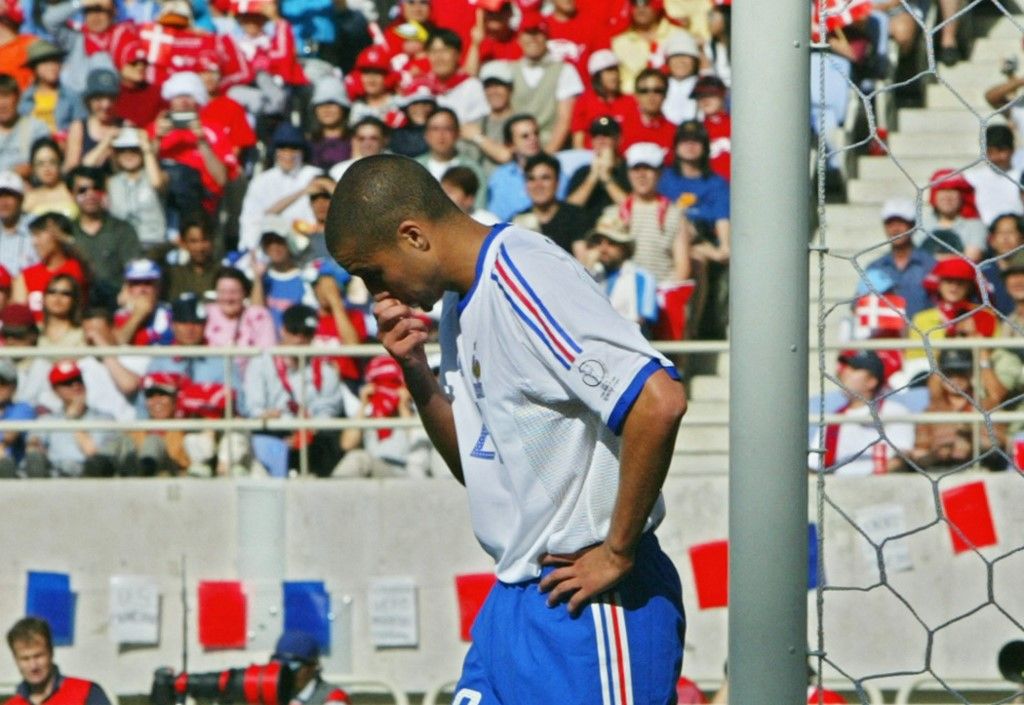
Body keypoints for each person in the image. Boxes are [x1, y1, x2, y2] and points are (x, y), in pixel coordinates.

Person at [325, 154, 687, 703]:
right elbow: (477, 465)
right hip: (514, 598)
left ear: (414, 236)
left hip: (588, 605)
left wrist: (616, 551)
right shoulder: (455, 304)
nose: (378, 293)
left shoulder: (522, 275)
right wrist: (417, 374)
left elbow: (658, 401)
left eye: (372, 273)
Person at [243, 303, 346, 477]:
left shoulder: (325, 370)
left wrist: (306, 431)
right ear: (282, 330)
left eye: (306, 333)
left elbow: (328, 412)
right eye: (294, 331)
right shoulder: (261, 363)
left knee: (326, 443)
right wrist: (280, 421)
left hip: (311, 438)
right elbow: (255, 409)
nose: (299, 339)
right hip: (272, 433)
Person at [809, 350, 913, 475]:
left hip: (880, 487)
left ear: (871, 381)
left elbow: (901, 459)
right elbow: (815, 466)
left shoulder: (894, 412)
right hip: (836, 488)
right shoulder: (834, 418)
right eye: (846, 367)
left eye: (854, 369)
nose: (844, 372)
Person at [336, 354, 431, 478]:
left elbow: (416, 442)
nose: (386, 389)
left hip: (404, 471)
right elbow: (347, 444)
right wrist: (363, 406)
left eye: (393, 382)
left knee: (359, 459)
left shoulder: (415, 413)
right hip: (374, 469)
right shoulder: (369, 415)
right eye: (378, 382)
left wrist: (403, 407)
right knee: (357, 458)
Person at [27, 360, 123, 477]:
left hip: (91, 479)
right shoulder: (47, 420)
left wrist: (73, 420)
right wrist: (36, 447)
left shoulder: (105, 419)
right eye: (67, 382)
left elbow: (92, 454)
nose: (75, 385)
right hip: (55, 480)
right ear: (55, 390)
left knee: (96, 464)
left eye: (78, 379)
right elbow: (32, 450)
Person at [505, 17, 583, 154]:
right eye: (528, 33)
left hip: (551, 148)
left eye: (538, 33)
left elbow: (564, 119)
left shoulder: (564, 70)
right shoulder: (509, 70)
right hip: (518, 149)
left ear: (546, 38)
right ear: (519, 38)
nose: (533, 39)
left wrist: (547, 155)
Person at [239, 123, 321, 252]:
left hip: (311, 247)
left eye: (294, 148)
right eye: (282, 148)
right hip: (271, 250)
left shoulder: (315, 175)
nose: (288, 154)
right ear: (275, 151)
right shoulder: (260, 181)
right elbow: (251, 221)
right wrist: (250, 252)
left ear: (303, 151)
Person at [69, 166, 141, 306]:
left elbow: (133, 270)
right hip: (78, 304)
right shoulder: (67, 232)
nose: (90, 194)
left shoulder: (122, 229)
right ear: (72, 194)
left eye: (96, 188)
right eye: (82, 190)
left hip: (117, 302)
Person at [3, 617, 111, 705]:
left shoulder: (86, 693)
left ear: (51, 652)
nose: (33, 666)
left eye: (38, 656)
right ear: (15, 659)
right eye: (25, 659)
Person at [587, 208, 659, 336]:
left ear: (625, 247)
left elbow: (644, 321)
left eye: (611, 243)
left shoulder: (642, 277)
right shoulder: (591, 275)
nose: (603, 249)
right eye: (599, 242)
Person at [486, 114, 568, 221]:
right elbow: (496, 218)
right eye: (525, 136)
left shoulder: (556, 173)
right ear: (510, 145)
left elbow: (562, 210)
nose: (533, 139)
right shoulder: (499, 178)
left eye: (536, 133)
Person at [864, 198, 936, 318]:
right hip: (886, 334)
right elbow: (859, 306)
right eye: (890, 223)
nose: (896, 229)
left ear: (913, 225)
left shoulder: (930, 265)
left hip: (922, 333)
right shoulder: (875, 268)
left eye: (901, 223)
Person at [512, 152, 588, 259]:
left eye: (545, 178)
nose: (538, 185)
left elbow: (583, 262)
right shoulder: (518, 221)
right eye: (531, 179)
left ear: (557, 182)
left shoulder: (575, 216)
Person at [14, 212, 86, 323]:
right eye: (33, 236)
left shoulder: (77, 268)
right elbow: (18, 317)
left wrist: (66, 239)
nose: (34, 242)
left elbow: (92, 266)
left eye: (38, 235)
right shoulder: (26, 276)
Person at [106, 128, 167, 251]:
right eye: (122, 150)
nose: (128, 154)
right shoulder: (111, 182)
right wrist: (105, 143)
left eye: (134, 149)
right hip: (122, 245)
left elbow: (157, 183)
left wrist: (147, 149)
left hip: (153, 243)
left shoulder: (158, 175)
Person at [415, 107, 485, 207]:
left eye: (447, 129)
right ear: (426, 134)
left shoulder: (472, 169)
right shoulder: (414, 168)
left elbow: (479, 208)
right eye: (435, 129)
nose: (441, 135)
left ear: (457, 134)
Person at [570, 50, 633, 149]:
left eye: (616, 70)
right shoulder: (584, 102)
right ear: (597, 77)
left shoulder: (630, 102)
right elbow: (578, 142)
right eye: (609, 71)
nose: (615, 76)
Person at [63, 68, 122, 172]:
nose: (106, 105)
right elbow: (71, 170)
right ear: (89, 100)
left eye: (111, 99)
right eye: (99, 99)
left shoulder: (124, 126)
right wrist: (105, 143)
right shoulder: (79, 127)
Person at [18, 40, 83, 133]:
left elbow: (82, 128)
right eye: (45, 63)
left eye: (56, 62)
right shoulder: (24, 98)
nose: (52, 67)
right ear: (34, 68)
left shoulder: (72, 96)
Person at [920, 169, 985, 262]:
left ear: (962, 196)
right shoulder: (921, 223)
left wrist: (929, 259)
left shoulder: (975, 225)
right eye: (942, 190)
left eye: (952, 190)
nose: (947, 197)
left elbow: (971, 259)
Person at [964, 125, 1022, 227]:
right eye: (990, 152)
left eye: (1001, 151)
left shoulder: (1020, 177)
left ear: (1012, 150)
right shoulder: (972, 178)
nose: (995, 157)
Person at [269, 632, 350, 705]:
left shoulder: (332, 698)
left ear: (312, 667)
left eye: (292, 666)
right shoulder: (274, 695)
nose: (285, 673)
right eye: (279, 666)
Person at [114, 259, 173, 346]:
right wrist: (138, 315)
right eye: (136, 283)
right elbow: (117, 344)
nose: (142, 289)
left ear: (158, 287)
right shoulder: (120, 315)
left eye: (148, 283)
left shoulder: (170, 312)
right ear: (128, 288)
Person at [0, 74, 50, 178]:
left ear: (18, 97)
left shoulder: (37, 128)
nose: (2, 104)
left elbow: (45, 165)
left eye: (6, 96)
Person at [620, 68, 675, 154]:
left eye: (657, 91)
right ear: (636, 95)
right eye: (644, 91)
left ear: (665, 94)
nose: (651, 96)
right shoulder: (620, 130)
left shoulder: (675, 133)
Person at [164, 215, 219, 301]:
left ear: (212, 241)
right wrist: (172, 244)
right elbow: (148, 261)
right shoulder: (174, 275)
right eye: (194, 241)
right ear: (184, 243)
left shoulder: (223, 273)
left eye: (204, 240)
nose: (200, 248)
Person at [23, 139, 76, 218]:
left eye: (52, 162)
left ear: (60, 163)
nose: (47, 168)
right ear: (33, 168)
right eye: (40, 163)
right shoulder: (29, 198)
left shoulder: (73, 192)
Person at [308, 76, 351, 171]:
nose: (326, 109)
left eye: (332, 103)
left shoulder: (357, 140)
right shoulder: (307, 141)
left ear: (344, 108)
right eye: (321, 104)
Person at [0, 169, 37, 276]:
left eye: (10, 196)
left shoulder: (36, 228)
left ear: (21, 200)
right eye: (0, 196)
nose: (4, 202)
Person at [36, 272, 84, 348]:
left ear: (74, 300)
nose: (57, 298)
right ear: (44, 298)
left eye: (65, 293)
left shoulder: (83, 332)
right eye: (52, 292)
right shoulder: (34, 331)